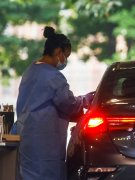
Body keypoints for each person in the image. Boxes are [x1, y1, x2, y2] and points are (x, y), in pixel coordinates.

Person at [16, 26, 94, 180]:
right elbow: (69, 104)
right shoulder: (53, 76)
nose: (66, 60)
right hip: (46, 144)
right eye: (67, 55)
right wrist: (87, 100)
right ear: (59, 52)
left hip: (27, 140)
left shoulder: (30, 71)